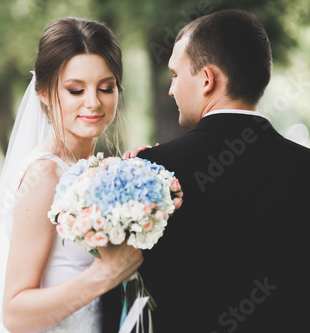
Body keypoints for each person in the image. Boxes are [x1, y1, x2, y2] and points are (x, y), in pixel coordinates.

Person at [103, 9, 310, 332]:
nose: (171, 89)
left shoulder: (146, 175)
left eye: (175, 74)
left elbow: (123, 291)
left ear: (207, 80)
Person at [0, 17, 143, 333]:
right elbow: (16, 315)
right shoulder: (44, 175)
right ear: (44, 92)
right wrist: (106, 273)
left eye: (106, 87)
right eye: (75, 90)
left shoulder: (99, 168)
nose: (93, 103)